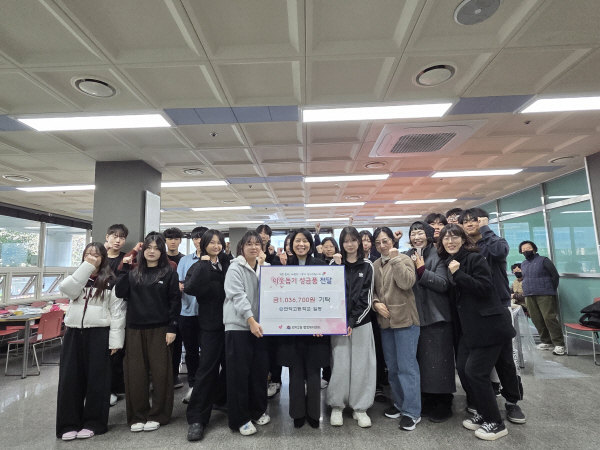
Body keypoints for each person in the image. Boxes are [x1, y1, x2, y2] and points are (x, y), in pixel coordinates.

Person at [438, 224, 519, 441]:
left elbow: (485, 288)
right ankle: (483, 413)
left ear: (464, 240)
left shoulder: (474, 259)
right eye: (446, 238)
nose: (450, 241)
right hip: (469, 329)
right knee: (464, 369)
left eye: (455, 237)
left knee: (476, 372)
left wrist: (459, 274)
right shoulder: (450, 262)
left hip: (489, 326)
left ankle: (496, 423)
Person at [459, 208, 526, 423]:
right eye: (465, 221)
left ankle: (512, 402)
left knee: (505, 360)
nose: (470, 224)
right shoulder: (464, 248)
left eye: (474, 220)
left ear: (484, 221)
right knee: (475, 363)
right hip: (474, 311)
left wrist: (486, 229)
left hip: (498, 307)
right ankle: (484, 404)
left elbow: (499, 252)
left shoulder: (494, 241)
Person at [56, 243, 126, 441]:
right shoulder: (78, 278)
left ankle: (94, 423)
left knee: (98, 381)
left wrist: (116, 342)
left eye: (96, 255)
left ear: (103, 258)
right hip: (74, 333)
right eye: (88, 254)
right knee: (70, 380)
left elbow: (118, 312)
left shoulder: (111, 281)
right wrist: (86, 268)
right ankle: (68, 424)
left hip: (99, 333)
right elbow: (67, 290)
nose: (92, 258)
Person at [115, 234, 181, 432]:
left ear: (162, 252)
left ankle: (159, 414)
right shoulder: (133, 273)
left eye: (157, 248)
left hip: (160, 329)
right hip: (135, 329)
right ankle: (138, 415)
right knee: (135, 375)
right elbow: (120, 292)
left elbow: (174, 301)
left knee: (161, 375)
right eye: (149, 248)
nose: (152, 251)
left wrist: (172, 327)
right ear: (143, 251)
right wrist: (124, 269)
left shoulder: (169, 273)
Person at [276, 229, 329, 429]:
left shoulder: (321, 266)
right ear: (291, 245)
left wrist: (322, 323)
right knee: (295, 373)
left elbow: (328, 297)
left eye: (305, 241)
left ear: (310, 244)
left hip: (316, 329)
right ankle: (297, 414)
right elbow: (276, 295)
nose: (301, 244)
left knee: (314, 372)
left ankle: (314, 414)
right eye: (297, 241)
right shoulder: (283, 266)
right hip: (292, 330)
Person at [405, 221, 455, 423]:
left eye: (420, 233)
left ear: (427, 235)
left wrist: (422, 270)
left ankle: (444, 401)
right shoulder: (407, 255)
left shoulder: (439, 255)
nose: (416, 237)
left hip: (437, 316)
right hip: (416, 316)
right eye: (413, 234)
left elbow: (443, 284)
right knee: (423, 362)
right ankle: (428, 398)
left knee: (440, 362)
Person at [372, 227, 421, 431]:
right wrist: (375, 303)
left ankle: (412, 411)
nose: (382, 245)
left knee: (407, 368)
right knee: (392, 368)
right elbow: (373, 291)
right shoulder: (375, 264)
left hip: (405, 321)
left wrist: (395, 260)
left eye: (385, 241)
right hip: (385, 323)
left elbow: (407, 283)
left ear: (393, 241)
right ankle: (400, 404)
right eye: (378, 243)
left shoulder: (404, 259)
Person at [183, 230, 230, 441]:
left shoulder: (227, 263)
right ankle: (197, 418)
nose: (216, 246)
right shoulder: (198, 266)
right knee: (207, 369)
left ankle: (221, 399)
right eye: (211, 242)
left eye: (219, 242)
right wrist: (203, 264)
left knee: (230, 365)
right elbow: (191, 288)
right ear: (203, 244)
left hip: (231, 323)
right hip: (210, 324)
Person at [223, 231, 271, 436]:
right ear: (241, 247)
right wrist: (251, 320)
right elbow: (237, 296)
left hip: (260, 328)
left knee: (259, 373)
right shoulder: (235, 267)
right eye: (249, 244)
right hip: (239, 327)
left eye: (257, 244)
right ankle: (240, 419)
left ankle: (257, 411)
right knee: (238, 376)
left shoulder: (266, 268)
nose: (254, 247)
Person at [327, 226, 376, 428]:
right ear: (341, 243)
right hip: (338, 324)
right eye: (346, 241)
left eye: (353, 240)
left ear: (359, 242)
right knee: (340, 365)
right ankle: (337, 406)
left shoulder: (368, 265)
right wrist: (336, 268)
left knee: (362, 366)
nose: (350, 244)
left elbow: (367, 298)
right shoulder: (334, 264)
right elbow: (329, 293)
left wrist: (353, 321)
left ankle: (360, 408)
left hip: (361, 323)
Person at [176, 227, 207, 404]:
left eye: (202, 238)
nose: (198, 241)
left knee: (208, 353)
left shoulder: (216, 260)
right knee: (191, 352)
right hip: (186, 312)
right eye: (196, 238)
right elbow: (179, 283)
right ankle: (193, 386)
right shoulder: (185, 260)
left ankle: (207, 386)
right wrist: (181, 286)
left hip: (207, 314)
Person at [518, 240, 564, 355]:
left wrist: (550, 289)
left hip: (545, 293)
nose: (526, 250)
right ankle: (546, 341)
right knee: (536, 318)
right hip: (529, 294)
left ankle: (559, 344)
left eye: (528, 248)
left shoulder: (544, 260)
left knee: (549, 318)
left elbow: (555, 275)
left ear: (534, 249)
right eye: (523, 249)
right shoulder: (523, 264)